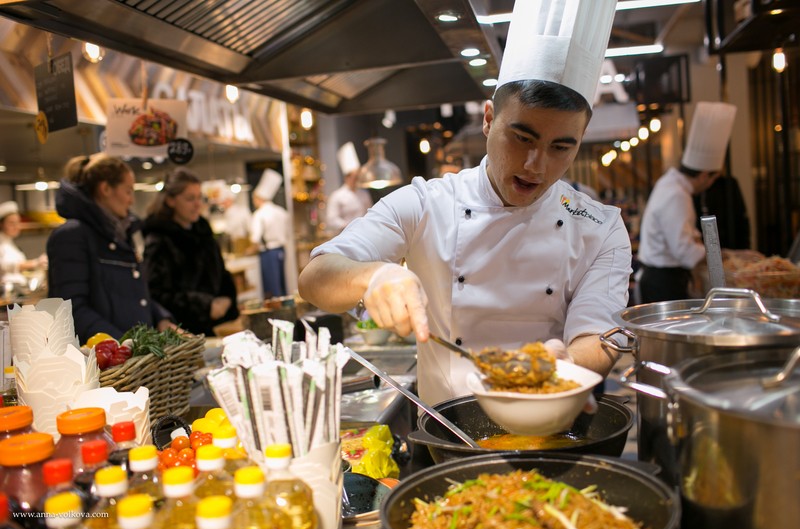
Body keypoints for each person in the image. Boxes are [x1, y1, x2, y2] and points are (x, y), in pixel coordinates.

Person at [298, 0, 629, 406]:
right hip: (447, 430)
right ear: (489, 119)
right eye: (521, 138)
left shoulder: (601, 226)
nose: (535, 166)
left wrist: (564, 364)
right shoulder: (425, 203)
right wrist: (373, 277)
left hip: (554, 424)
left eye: (561, 147)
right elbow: (315, 277)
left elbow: (600, 334)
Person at [47, 154, 175, 344]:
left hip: (133, 363)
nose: (131, 200)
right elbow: (71, 309)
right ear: (106, 189)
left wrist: (161, 318)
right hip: (105, 365)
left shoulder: (120, 233)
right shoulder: (73, 236)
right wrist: (126, 345)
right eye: (128, 191)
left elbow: (132, 294)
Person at [638, 102, 737, 303]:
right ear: (703, 176)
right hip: (664, 280)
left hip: (661, 276)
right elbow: (683, 250)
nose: (708, 186)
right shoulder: (676, 194)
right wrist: (722, 255)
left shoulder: (670, 184)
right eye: (711, 180)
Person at [142, 168, 240, 336]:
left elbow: (222, 274)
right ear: (171, 201)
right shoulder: (159, 241)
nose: (197, 204)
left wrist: (226, 298)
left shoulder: (204, 233)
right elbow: (157, 295)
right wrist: (205, 305)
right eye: (190, 199)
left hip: (215, 329)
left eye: (199, 198)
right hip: (182, 336)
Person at [249, 169, 290, 298]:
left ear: (258, 198)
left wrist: (248, 251)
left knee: (273, 289)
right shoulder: (281, 211)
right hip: (281, 250)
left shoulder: (259, 214)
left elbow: (255, 239)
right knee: (283, 285)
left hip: (268, 253)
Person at [693, 174, 750, 250]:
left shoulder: (728, 184)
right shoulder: (689, 190)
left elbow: (740, 218)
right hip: (704, 244)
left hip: (726, 240)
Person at [326, 142, 373, 235]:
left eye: (357, 177)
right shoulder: (337, 196)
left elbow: (370, 212)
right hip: (344, 235)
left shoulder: (364, 194)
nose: (356, 180)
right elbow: (331, 219)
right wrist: (348, 225)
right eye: (354, 177)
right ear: (347, 177)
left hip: (364, 233)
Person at [0, 201, 47, 285]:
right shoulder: (1, 243)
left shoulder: (9, 242)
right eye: (11, 223)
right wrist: (36, 262)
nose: (16, 226)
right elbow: (8, 265)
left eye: (18, 222)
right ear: (1, 224)